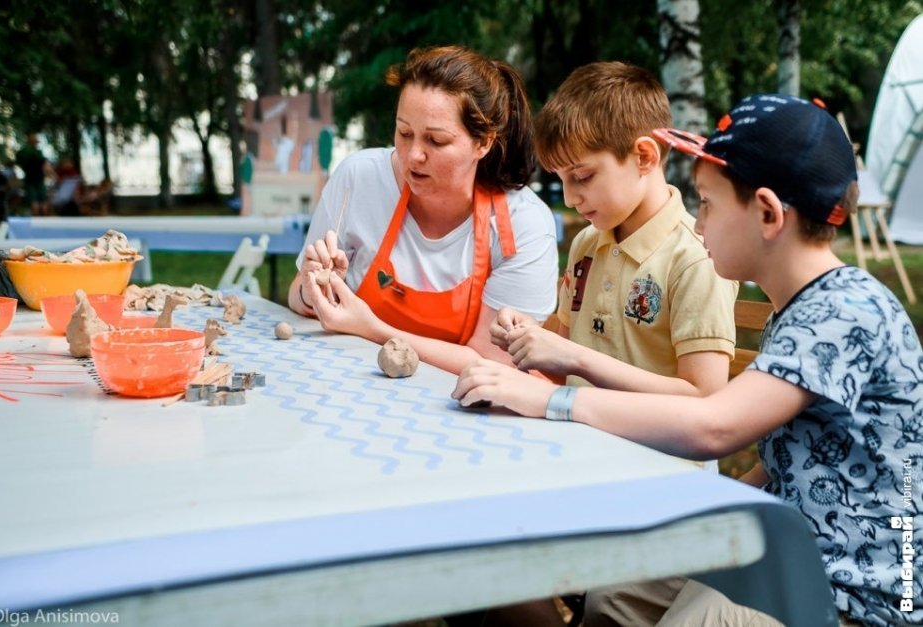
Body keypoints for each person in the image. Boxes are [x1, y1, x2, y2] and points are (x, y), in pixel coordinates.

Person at [454, 94, 923, 627]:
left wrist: (553, 399)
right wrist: (698, 509)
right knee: (617, 597)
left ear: (768, 213)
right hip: (786, 546)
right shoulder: (795, 310)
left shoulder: (843, 310)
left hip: (856, 596)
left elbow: (714, 425)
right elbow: (792, 461)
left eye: (707, 204)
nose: (698, 225)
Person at [465, 60, 740, 627]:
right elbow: (562, 340)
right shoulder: (589, 244)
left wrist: (569, 357)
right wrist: (527, 337)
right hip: (579, 463)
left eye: (582, 177)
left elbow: (707, 400)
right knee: (474, 548)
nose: (570, 197)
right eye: (561, 180)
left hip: (661, 486)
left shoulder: (695, 256)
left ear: (643, 156)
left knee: (580, 591)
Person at [290, 45, 558, 374]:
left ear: (483, 143)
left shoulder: (524, 225)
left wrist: (371, 329)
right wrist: (312, 288)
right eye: (404, 133)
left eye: (436, 141)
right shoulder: (359, 179)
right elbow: (298, 300)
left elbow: (493, 364)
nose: (413, 155)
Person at [15, 133, 54, 216]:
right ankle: (42, 220)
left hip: (31, 179)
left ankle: (36, 221)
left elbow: (19, 163)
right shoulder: (36, 152)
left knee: (35, 201)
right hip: (36, 179)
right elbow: (46, 165)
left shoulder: (23, 152)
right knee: (41, 201)